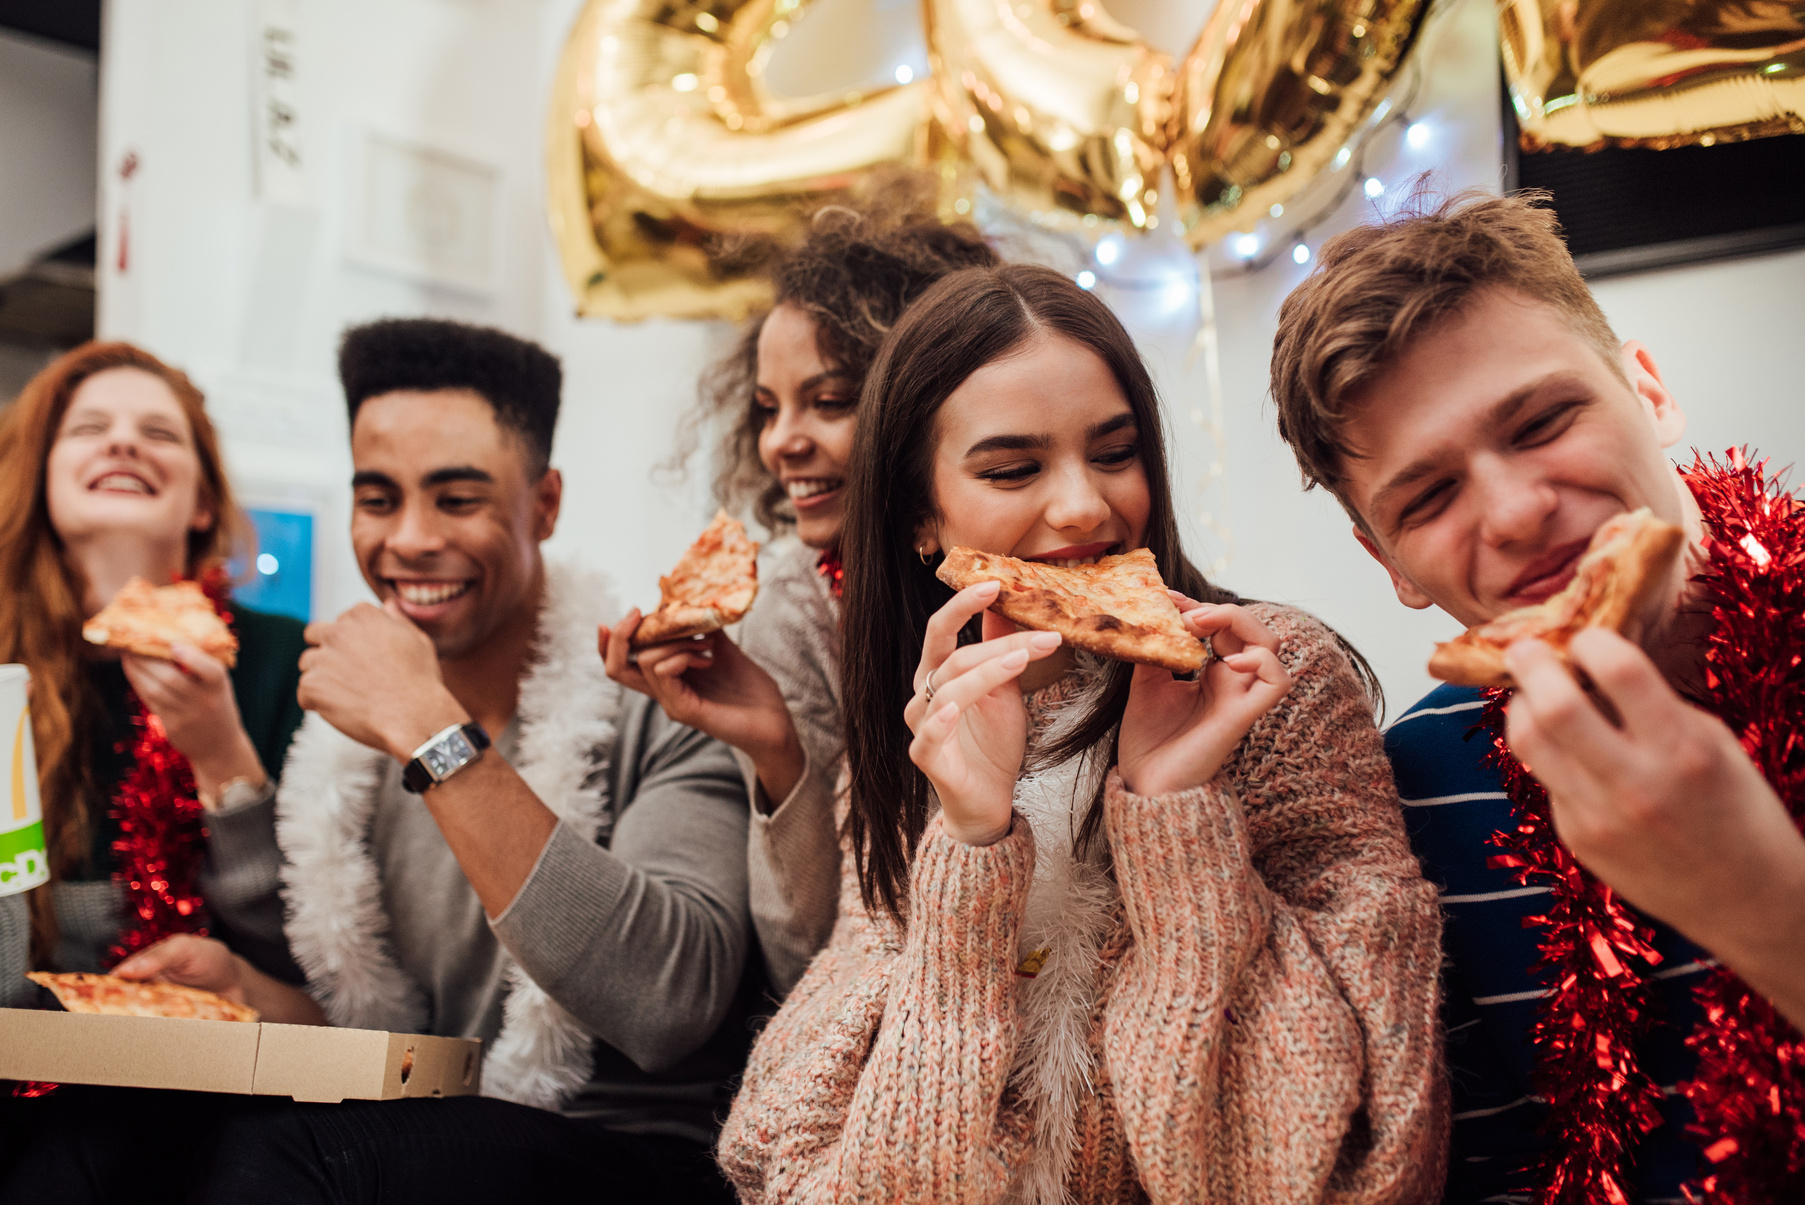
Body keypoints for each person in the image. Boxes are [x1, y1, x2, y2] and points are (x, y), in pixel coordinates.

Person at [717, 263, 1447, 1202]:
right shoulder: (916, 747)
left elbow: (1358, 1172)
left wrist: (1173, 815)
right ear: (917, 519)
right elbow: (804, 1172)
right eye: (1012, 469)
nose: (1084, 507)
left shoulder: (1269, 685)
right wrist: (968, 849)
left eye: (1114, 452)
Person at [91, 318, 758, 1205]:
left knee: (296, 1159)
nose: (407, 539)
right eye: (377, 499)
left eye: (455, 499)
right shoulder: (350, 732)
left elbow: (667, 1003)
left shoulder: (664, 695)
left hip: (626, 1156)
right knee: (99, 1139)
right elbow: (391, 1032)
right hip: (421, 1127)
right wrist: (248, 987)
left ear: (545, 505)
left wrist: (430, 730)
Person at [1269, 191, 1805, 1203]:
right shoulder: (1404, 798)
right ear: (1385, 560)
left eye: (1542, 419)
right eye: (1427, 497)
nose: (1515, 512)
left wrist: (1760, 898)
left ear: (1646, 391)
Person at [604, 185, 998, 991]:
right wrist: (774, 749)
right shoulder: (793, 603)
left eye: (829, 401)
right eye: (766, 407)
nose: (782, 441)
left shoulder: (1048, 576)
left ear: (932, 397)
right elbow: (804, 965)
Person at [0, 341, 308, 1195]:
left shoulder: (279, 658)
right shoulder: (3, 672)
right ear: (41, 475)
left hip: (205, 1085)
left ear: (203, 498)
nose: (124, 444)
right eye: (90, 428)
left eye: (158, 433)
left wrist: (220, 753)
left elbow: (311, 955)